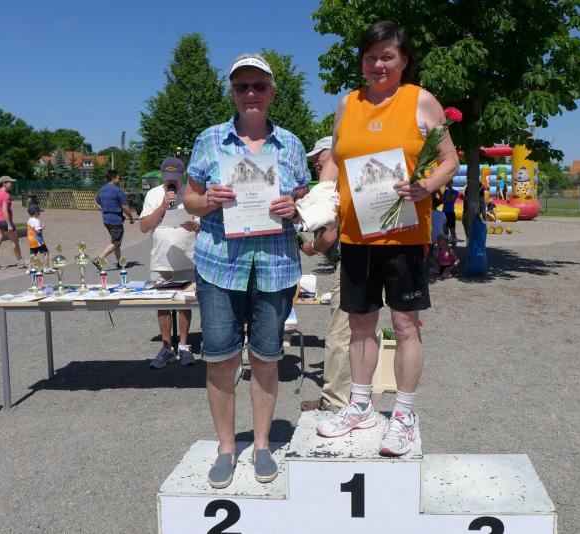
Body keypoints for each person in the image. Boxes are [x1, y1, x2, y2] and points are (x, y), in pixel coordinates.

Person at [314, 21, 459, 457]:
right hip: (356, 235)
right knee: (359, 323)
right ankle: (359, 405)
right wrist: (321, 200)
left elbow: (450, 161)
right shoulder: (347, 103)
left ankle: (404, 414)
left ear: (404, 60)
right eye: (370, 57)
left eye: (387, 57)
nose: (378, 65)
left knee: (404, 324)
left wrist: (425, 187)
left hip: (404, 235)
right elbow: (334, 161)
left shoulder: (420, 100)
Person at [183, 53, 309, 487]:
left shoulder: (291, 144)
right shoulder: (209, 139)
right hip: (220, 264)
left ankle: (261, 445)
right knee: (220, 360)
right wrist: (207, 201)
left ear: (272, 92)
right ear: (233, 93)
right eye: (242, 87)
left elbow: (305, 200)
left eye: (258, 86)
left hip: (275, 266)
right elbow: (189, 200)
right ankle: (226, 447)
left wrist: (295, 207)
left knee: (267, 360)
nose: (250, 93)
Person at [300, 136, 351, 413]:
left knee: (339, 333)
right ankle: (353, 397)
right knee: (357, 331)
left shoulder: (334, 186)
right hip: (365, 258)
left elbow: (329, 236)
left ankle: (334, 401)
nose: (316, 164)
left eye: (319, 157)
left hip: (349, 262)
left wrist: (311, 247)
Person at [139, 156, 199, 368]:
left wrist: (196, 227)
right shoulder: (153, 194)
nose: (171, 181)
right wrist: (162, 207)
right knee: (162, 304)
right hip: (160, 259)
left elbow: (202, 225)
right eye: (167, 177)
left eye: (175, 177)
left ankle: (184, 346)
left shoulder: (191, 195)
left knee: (184, 304)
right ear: (162, 176)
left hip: (186, 258)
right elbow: (144, 227)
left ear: (183, 175)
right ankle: (166, 348)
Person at [93, 170, 134, 269]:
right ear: (113, 178)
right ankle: (99, 259)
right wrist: (131, 217)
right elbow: (125, 207)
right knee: (115, 243)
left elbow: (96, 203)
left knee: (116, 242)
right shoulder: (118, 191)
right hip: (116, 220)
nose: (119, 180)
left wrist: (105, 210)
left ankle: (120, 263)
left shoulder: (101, 190)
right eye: (118, 178)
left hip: (106, 220)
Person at [0, 175, 26, 270]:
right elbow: (4, 211)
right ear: (4, 183)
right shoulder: (6, 195)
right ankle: (20, 262)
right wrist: (9, 225)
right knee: (15, 241)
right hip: (4, 221)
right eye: (11, 183)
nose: (12, 184)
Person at [26, 204, 53, 274]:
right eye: (39, 212)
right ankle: (46, 268)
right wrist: (42, 227)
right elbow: (38, 231)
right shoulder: (36, 221)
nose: (40, 213)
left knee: (32, 255)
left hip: (31, 241)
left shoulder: (29, 220)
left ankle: (28, 269)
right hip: (38, 241)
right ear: (36, 213)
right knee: (46, 252)